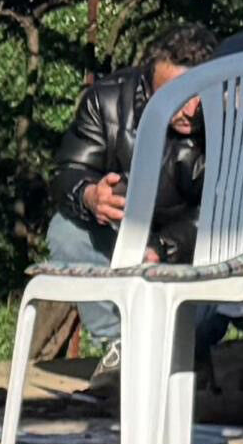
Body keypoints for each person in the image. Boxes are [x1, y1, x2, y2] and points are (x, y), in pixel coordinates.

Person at [37, 25, 216, 357]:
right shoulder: (106, 100)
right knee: (66, 230)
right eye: (176, 95)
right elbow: (67, 172)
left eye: (198, 93)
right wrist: (89, 196)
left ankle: (184, 347)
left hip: (194, 249)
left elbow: (222, 208)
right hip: (122, 238)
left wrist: (163, 247)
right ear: (149, 84)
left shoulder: (230, 115)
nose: (191, 110)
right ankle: (117, 345)